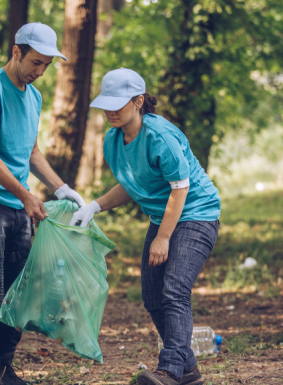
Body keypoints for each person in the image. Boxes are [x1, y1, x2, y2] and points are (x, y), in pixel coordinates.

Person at [70, 68, 221, 385]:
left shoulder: (160, 137)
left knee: (175, 290)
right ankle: (189, 370)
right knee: (153, 297)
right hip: (163, 216)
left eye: (118, 103)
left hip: (197, 213)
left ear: (138, 101)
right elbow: (131, 184)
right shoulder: (113, 140)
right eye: (106, 103)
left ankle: (170, 371)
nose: (111, 110)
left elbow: (180, 189)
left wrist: (163, 238)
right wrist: (94, 206)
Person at [0, 23, 86, 385]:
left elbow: (30, 152)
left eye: (47, 65)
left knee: (18, 289)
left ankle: (2, 366)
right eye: (36, 62)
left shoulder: (34, 96)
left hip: (17, 205)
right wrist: (27, 195)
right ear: (16, 52)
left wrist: (62, 189)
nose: (40, 71)